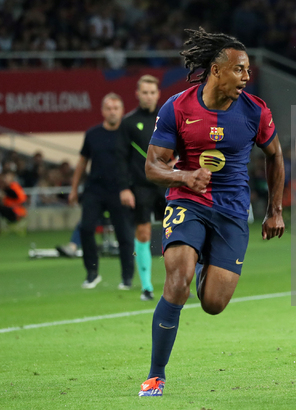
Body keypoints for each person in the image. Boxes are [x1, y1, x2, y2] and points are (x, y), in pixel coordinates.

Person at [138, 27, 285, 397]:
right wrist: (184, 176)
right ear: (217, 70)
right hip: (187, 203)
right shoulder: (178, 107)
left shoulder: (255, 111)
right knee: (177, 282)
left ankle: (204, 259)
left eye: (249, 70)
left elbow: (276, 156)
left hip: (233, 212)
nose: (247, 77)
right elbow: (152, 167)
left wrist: (275, 210)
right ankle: (156, 375)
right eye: (240, 69)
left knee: (214, 304)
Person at [69, 93, 135, 290]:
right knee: (86, 228)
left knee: (124, 236)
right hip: (94, 190)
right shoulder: (92, 134)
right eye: (109, 108)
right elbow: (82, 162)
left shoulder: (129, 134)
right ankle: (92, 273)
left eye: (116, 108)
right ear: (103, 111)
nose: (112, 111)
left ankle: (127, 278)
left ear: (122, 111)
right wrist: (73, 189)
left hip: (120, 190)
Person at [117, 74, 165, 301]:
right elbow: (122, 159)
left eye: (152, 92)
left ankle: (179, 285)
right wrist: (125, 188)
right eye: (144, 92)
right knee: (144, 233)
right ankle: (147, 287)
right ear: (137, 94)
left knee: (178, 232)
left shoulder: (168, 118)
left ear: (158, 94)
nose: (148, 96)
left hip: (168, 184)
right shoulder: (127, 123)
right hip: (141, 187)